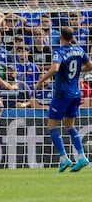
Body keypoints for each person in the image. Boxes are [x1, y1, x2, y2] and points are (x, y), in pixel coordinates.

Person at [35, 27, 92, 172]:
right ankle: (81, 157)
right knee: (69, 126)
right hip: (75, 94)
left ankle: (64, 159)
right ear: (72, 37)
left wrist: (41, 81)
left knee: (52, 127)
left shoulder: (59, 52)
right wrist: (79, 70)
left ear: (61, 37)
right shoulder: (79, 50)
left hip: (62, 94)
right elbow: (90, 66)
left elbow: (55, 68)